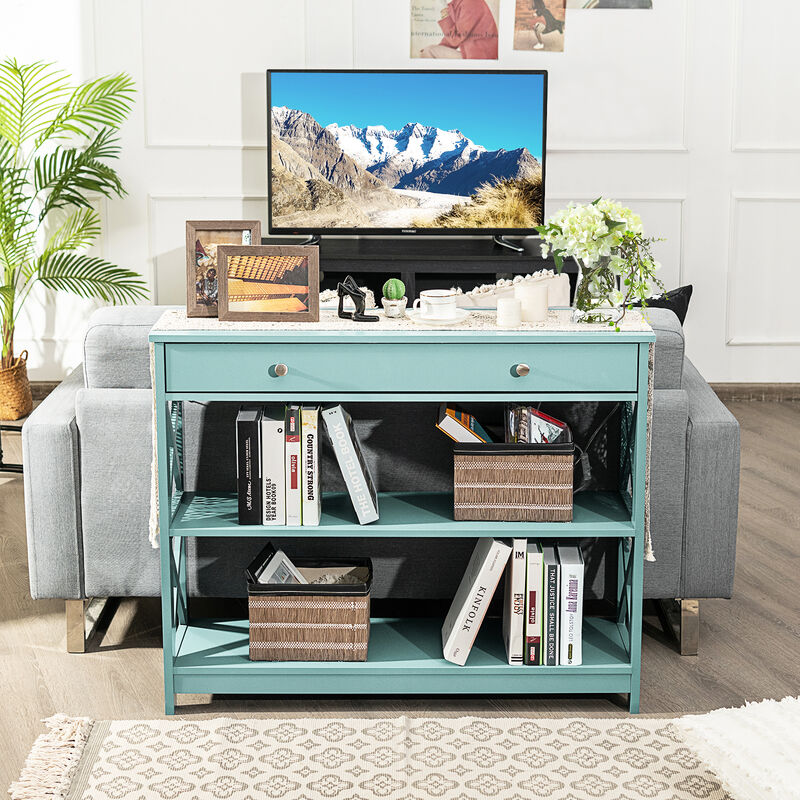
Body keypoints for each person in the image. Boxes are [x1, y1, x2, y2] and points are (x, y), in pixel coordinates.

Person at [420, 0, 498, 60]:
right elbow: (453, 35)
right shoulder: (459, 2)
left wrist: (445, 14)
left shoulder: (470, 3)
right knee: (428, 50)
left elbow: (455, 38)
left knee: (429, 51)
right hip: (473, 55)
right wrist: (439, 47)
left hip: (480, 58)